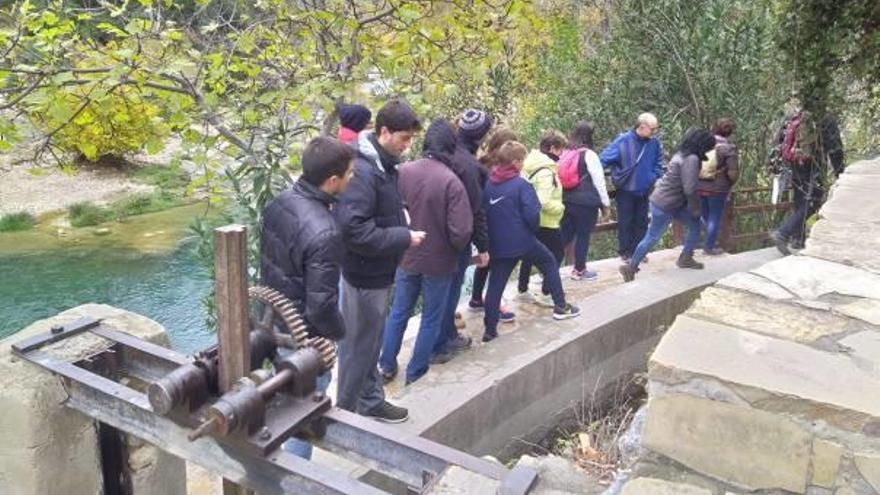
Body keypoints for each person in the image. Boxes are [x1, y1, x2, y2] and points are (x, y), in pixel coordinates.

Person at [259, 136, 355, 458]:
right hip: (306, 338)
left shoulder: (278, 203)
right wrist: (339, 335)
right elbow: (322, 305)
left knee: (279, 396)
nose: (352, 178)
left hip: (275, 323)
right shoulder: (324, 231)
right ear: (332, 181)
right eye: (350, 174)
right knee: (305, 409)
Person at [334, 98, 423, 422]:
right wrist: (403, 237)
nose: (407, 145)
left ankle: (370, 401)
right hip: (364, 275)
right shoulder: (363, 170)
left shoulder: (380, 165)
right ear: (384, 132)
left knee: (367, 345)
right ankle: (343, 418)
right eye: (404, 138)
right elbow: (353, 229)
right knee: (358, 349)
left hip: (377, 272)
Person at [378, 120, 474, 384]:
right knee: (431, 318)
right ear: (450, 148)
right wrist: (451, 250)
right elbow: (462, 231)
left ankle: (386, 364)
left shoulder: (401, 172)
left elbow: (389, 211)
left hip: (406, 255)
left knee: (399, 311)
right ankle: (415, 372)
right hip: (439, 262)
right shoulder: (451, 182)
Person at [483, 141, 581, 342]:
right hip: (522, 241)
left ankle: (489, 331)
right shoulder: (521, 185)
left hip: (498, 245)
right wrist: (531, 231)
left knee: (495, 285)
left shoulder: (488, 185)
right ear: (516, 162)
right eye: (522, 160)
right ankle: (560, 306)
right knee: (549, 262)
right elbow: (532, 216)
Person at [433, 109, 493, 363]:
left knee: (443, 291)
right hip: (458, 236)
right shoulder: (470, 166)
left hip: (435, 230)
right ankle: (442, 342)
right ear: (481, 137)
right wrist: (483, 246)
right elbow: (476, 209)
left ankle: (445, 334)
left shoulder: (444, 154)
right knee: (450, 289)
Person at [619, 129, 717, 282]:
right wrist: (695, 208)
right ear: (702, 145)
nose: (710, 150)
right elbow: (690, 188)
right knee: (652, 236)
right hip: (666, 205)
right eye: (709, 147)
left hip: (671, 202)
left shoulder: (682, 154)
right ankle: (631, 267)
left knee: (696, 226)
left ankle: (685, 258)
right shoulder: (691, 159)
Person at [769, 109, 844, 254]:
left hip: (794, 165)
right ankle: (783, 233)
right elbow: (835, 148)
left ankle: (798, 238)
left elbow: (780, 143)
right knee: (814, 200)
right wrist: (839, 171)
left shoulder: (793, 115)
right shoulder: (825, 118)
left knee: (799, 200)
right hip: (814, 166)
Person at [467, 126, 518, 324]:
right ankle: (496, 304)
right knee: (497, 264)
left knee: (485, 262)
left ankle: (476, 298)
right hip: (491, 222)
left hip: (481, 222)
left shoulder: (481, 163)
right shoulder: (491, 169)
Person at [600, 113, 664, 261]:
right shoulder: (623, 141)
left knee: (641, 222)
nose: (655, 132)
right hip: (626, 190)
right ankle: (625, 253)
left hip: (644, 190)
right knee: (625, 222)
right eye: (652, 129)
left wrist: (652, 177)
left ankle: (639, 252)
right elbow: (603, 159)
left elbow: (658, 163)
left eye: (656, 128)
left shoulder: (654, 143)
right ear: (642, 126)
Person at [516, 130, 566, 306]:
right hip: (547, 222)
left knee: (530, 254)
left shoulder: (530, 163)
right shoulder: (546, 171)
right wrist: (560, 207)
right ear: (552, 148)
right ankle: (547, 291)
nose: (562, 154)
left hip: (532, 220)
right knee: (555, 256)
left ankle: (522, 288)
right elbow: (543, 201)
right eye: (561, 150)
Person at [559, 121, 611, 280]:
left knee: (565, 236)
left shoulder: (565, 152)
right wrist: (606, 205)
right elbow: (599, 181)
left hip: (566, 200)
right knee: (583, 235)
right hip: (585, 202)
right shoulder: (589, 154)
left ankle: (548, 267)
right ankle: (580, 270)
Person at [698, 118, 740, 255]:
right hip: (718, 188)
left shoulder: (702, 144)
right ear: (729, 132)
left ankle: (705, 242)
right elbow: (732, 173)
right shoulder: (728, 148)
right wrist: (731, 182)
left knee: (705, 215)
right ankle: (709, 247)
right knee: (715, 217)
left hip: (700, 185)